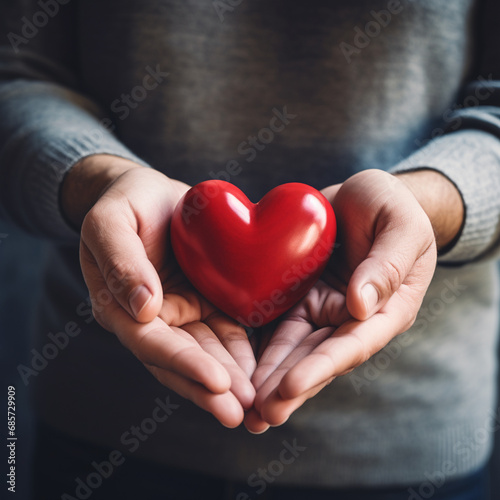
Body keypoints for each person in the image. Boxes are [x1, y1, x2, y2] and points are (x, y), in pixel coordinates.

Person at [1, 0, 499, 498]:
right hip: (103, 421)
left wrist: (425, 202)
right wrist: (104, 183)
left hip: (410, 441)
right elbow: (17, 74)